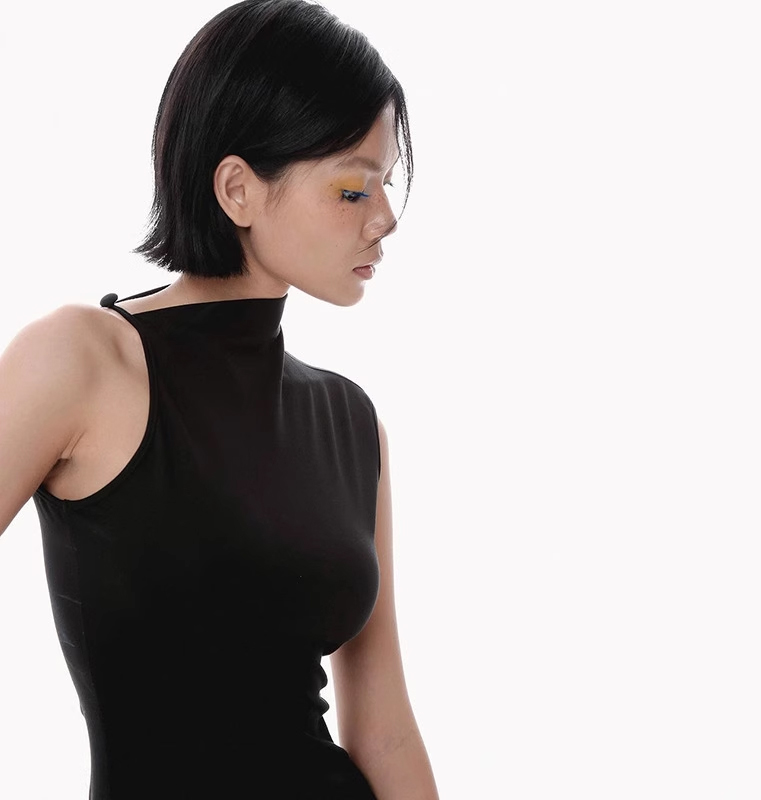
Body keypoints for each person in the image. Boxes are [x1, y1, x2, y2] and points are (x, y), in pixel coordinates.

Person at [0, 1, 439, 798]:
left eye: (387, 185)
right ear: (237, 188)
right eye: (353, 189)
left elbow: (385, 728)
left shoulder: (351, 421)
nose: (385, 218)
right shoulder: (82, 359)